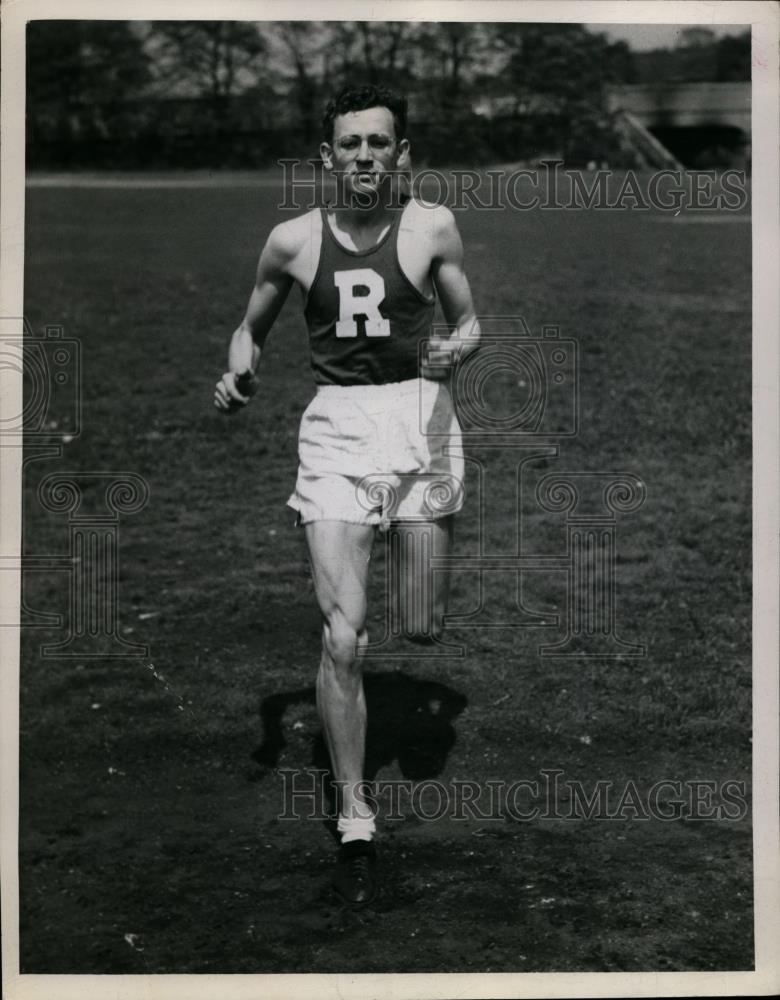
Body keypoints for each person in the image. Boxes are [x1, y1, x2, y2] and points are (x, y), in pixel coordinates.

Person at [214, 84, 480, 905]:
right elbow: (249, 326)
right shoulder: (292, 241)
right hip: (336, 431)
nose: (365, 156)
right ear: (327, 158)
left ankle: (407, 614)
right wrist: (238, 368)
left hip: (422, 423)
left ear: (402, 156)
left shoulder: (432, 225)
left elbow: (471, 322)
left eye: (380, 143)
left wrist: (454, 349)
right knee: (345, 638)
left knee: (424, 628)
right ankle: (355, 805)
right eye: (350, 144)